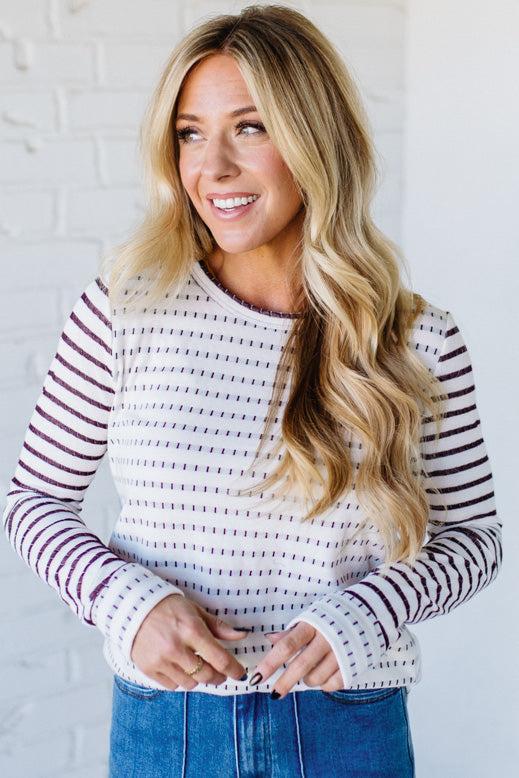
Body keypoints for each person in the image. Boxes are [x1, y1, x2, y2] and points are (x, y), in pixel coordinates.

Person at [2, 5, 502, 778]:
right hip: (168, 728)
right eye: (190, 133)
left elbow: (473, 542)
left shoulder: (415, 341)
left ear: (314, 137)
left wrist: (370, 610)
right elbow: (30, 501)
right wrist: (124, 604)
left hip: (344, 729)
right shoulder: (125, 309)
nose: (212, 168)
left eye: (250, 127)